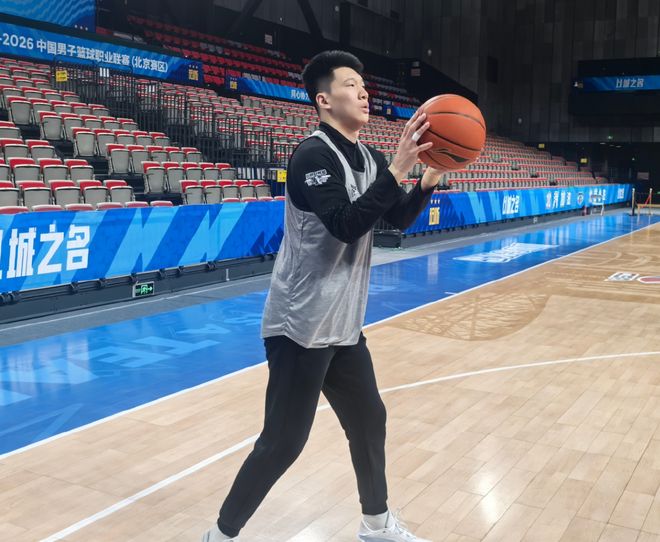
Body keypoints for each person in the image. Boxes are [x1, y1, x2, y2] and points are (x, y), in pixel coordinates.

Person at [202, 50, 441, 542]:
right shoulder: (312, 156)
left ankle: (376, 524)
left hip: (343, 326)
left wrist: (427, 180)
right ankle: (221, 535)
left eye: (364, 85)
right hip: (301, 325)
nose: (364, 92)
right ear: (324, 100)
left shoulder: (369, 158)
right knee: (284, 443)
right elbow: (346, 225)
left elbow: (394, 221)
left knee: (369, 420)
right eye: (351, 84)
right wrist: (397, 169)